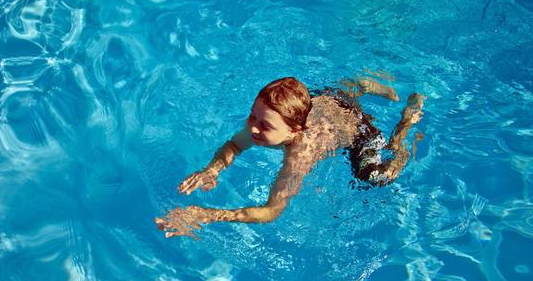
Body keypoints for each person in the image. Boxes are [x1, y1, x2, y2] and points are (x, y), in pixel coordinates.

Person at [154, 77, 424, 238]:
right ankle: (361, 84)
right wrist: (212, 170)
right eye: (252, 116)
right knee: (338, 94)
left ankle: (405, 125)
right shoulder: (267, 122)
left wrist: (205, 215)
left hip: (358, 131)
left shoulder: (300, 154)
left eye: (264, 125)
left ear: (294, 131)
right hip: (325, 100)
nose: (252, 128)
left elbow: (271, 211)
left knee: (376, 176)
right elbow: (233, 145)